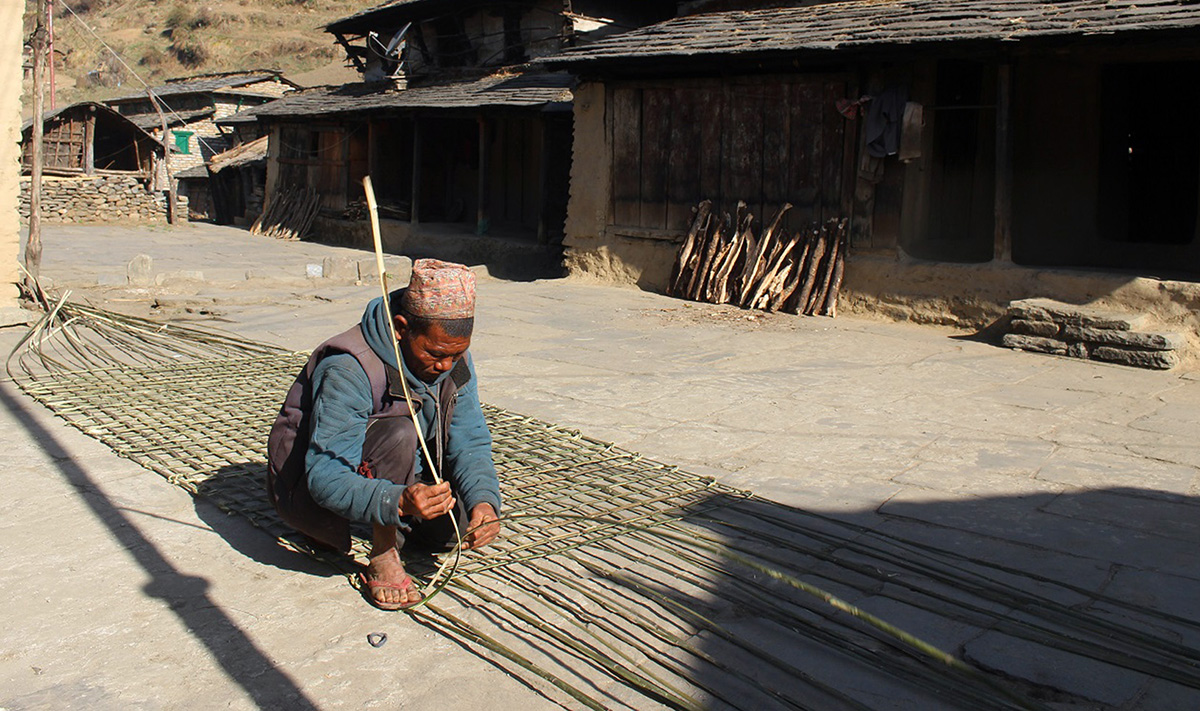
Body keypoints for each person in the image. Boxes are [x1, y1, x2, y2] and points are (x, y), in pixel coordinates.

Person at [268, 259, 501, 610]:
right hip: (314, 477)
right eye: (436, 354)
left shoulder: (453, 358)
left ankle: (403, 517)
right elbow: (325, 475)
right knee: (400, 432)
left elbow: (470, 436)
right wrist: (399, 502)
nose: (445, 366)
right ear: (400, 327)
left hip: (405, 469)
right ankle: (384, 549)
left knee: (455, 529)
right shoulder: (349, 366)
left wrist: (485, 500)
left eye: (456, 355)